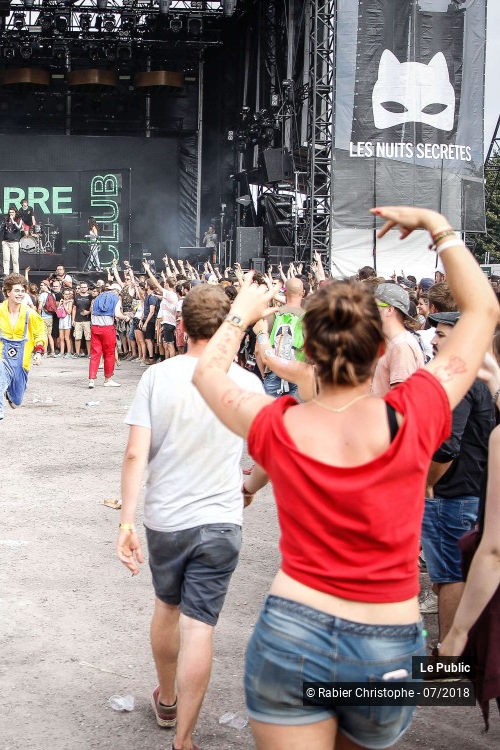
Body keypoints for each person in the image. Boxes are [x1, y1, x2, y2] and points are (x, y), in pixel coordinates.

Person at [191, 206, 498, 749]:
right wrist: (438, 226)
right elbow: (482, 311)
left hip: (294, 630)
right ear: (380, 349)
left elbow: (207, 372)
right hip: (385, 645)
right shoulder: (415, 412)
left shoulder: (275, 425)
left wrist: (240, 311)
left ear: (307, 350)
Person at [118, 285, 264, 750]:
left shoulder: (158, 377)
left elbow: (135, 454)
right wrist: (247, 488)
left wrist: (126, 521)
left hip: (167, 519)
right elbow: (269, 456)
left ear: (182, 325)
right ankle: (185, 738)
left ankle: (167, 700)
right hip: (222, 519)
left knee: (168, 606)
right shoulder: (249, 384)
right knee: (201, 625)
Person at [421, 310, 494, 637]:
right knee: (455, 574)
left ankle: (446, 668)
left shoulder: (460, 380)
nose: (434, 339)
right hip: (469, 491)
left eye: (442, 334)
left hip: (451, 494)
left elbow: (448, 445)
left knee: (450, 576)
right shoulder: (480, 375)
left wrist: (427, 483)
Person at [0, 274, 46, 461]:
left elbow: (40, 333)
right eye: (17, 290)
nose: (20, 293)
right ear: (7, 292)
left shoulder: (30, 313)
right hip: (0, 356)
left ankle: (12, 393)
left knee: (17, 401)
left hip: (22, 361)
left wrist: (39, 351)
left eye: (23, 291)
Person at [371, 282, 423, 396]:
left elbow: (400, 402)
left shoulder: (401, 346)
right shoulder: (394, 342)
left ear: (389, 309)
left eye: (374, 306)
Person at [88, 283, 127, 388]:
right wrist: (126, 317)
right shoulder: (116, 298)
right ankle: (108, 379)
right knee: (109, 354)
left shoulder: (97, 298)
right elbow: (118, 314)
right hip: (107, 328)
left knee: (95, 354)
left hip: (95, 327)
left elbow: (92, 312)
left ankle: (91, 379)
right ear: (116, 291)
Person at [0, 207, 24, 275]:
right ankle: (6, 274)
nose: (11, 214)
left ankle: (16, 274)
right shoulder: (6, 219)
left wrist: (13, 221)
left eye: (12, 212)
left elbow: (18, 228)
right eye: (10, 212)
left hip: (15, 242)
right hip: (6, 242)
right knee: (6, 259)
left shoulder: (19, 219)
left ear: (15, 213)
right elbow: (1, 228)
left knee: (15, 259)